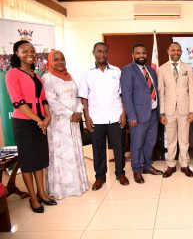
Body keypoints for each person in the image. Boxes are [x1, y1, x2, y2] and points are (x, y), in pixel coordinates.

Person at [5, 40, 56, 213]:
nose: (30, 53)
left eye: (32, 50)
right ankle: (33, 198)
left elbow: (43, 99)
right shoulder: (12, 74)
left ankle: (42, 193)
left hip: (39, 121)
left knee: (40, 159)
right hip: (24, 123)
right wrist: (38, 120)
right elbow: (18, 102)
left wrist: (47, 117)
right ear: (17, 53)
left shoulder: (37, 75)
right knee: (28, 161)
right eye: (24, 50)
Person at [79, 42, 129, 190]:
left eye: (105, 52)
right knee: (98, 149)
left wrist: (124, 113)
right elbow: (84, 97)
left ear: (108, 53)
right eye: (99, 51)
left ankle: (120, 173)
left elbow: (123, 94)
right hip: (96, 119)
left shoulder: (116, 71)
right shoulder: (87, 73)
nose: (102, 54)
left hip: (115, 117)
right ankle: (100, 177)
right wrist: (86, 118)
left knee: (119, 148)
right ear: (93, 53)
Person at [42, 50, 89, 198]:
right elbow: (51, 100)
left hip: (74, 122)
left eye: (62, 59)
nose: (60, 62)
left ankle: (77, 185)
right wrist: (71, 114)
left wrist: (79, 111)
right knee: (62, 155)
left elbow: (77, 96)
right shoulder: (47, 78)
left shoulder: (69, 77)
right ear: (50, 62)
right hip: (59, 123)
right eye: (56, 60)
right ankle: (61, 189)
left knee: (73, 152)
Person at [120, 44, 163, 184]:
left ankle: (147, 166)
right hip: (138, 116)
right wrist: (131, 116)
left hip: (153, 113)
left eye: (144, 53)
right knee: (137, 144)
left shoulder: (151, 70)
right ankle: (136, 170)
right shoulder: (127, 70)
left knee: (151, 142)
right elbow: (126, 95)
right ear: (132, 54)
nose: (141, 55)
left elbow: (155, 91)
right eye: (138, 53)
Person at [158, 42, 193, 178]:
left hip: (185, 110)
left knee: (184, 139)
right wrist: (162, 113)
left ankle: (185, 165)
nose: (176, 52)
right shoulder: (162, 69)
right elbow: (161, 92)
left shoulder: (188, 68)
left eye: (178, 50)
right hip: (169, 111)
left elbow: (192, 91)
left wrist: (192, 111)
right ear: (168, 51)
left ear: (181, 52)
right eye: (173, 50)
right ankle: (171, 165)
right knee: (171, 139)